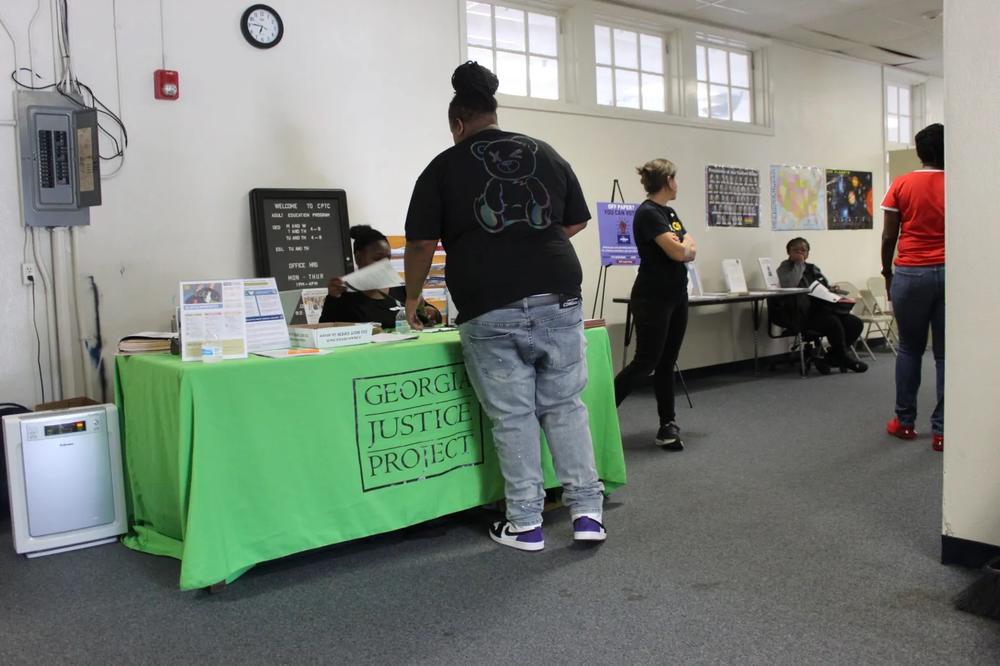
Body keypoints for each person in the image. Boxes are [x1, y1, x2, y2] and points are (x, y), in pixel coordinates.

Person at [403, 61, 606, 551]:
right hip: (558, 294)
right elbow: (574, 221)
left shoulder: (443, 166)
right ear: (495, 113)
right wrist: (531, 237)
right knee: (564, 406)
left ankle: (526, 524)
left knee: (512, 416)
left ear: (456, 122)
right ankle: (587, 514)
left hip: (488, 303)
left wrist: (413, 297)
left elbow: (420, 243)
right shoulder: (546, 152)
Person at [613, 159, 696, 450]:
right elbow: (677, 251)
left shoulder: (668, 212)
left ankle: (667, 425)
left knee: (665, 362)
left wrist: (683, 247)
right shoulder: (647, 213)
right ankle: (601, 415)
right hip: (652, 298)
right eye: (676, 178)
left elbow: (690, 246)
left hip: (677, 296)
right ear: (669, 180)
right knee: (644, 362)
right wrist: (682, 248)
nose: (678, 184)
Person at [880, 123, 945, 451]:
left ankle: (904, 423)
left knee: (910, 349)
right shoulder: (957, 184)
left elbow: (890, 235)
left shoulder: (902, 183)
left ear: (920, 152)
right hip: (951, 273)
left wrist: (886, 273)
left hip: (911, 272)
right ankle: (943, 430)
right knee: (946, 355)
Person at [320, 225, 440, 330]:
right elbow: (323, 330)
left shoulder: (402, 290)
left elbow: (433, 316)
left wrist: (430, 312)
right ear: (358, 258)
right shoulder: (343, 297)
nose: (384, 264)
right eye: (377, 258)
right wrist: (333, 297)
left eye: (388, 258)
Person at [776, 237, 867, 374]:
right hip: (800, 314)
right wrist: (800, 264)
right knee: (832, 322)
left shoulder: (813, 268)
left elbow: (823, 286)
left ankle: (832, 358)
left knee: (855, 323)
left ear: (808, 253)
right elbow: (789, 284)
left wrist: (831, 289)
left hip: (822, 309)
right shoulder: (784, 268)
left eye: (803, 250)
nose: (800, 253)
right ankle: (843, 358)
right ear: (789, 252)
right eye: (796, 250)